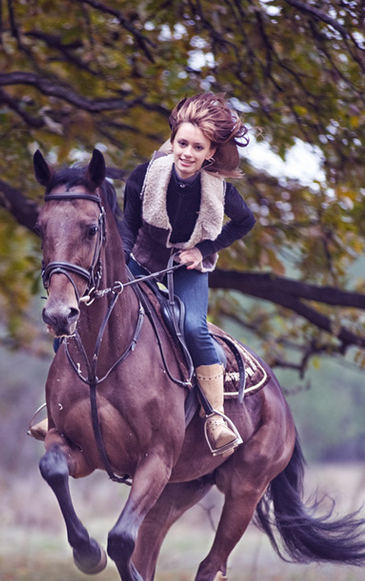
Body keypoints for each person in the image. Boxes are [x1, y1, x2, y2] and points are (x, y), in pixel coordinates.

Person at [122, 92, 255, 456]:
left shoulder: (219, 190)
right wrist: (120, 266)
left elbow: (246, 222)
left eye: (198, 147)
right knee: (91, 307)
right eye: (182, 143)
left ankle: (215, 417)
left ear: (210, 153)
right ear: (173, 141)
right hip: (144, 260)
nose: (187, 153)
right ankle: (55, 409)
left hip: (187, 268)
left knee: (193, 325)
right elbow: (128, 226)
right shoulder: (144, 176)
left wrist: (203, 250)